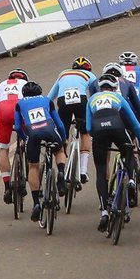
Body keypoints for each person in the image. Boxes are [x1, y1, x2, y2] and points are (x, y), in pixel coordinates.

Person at [86, 73, 140, 233]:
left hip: (98, 131)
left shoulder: (92, 99)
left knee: (101, 170)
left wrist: (99, 137)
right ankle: (131, 180)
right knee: (129, 152)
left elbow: (89, 128)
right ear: (114, 88)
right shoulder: (118, 97)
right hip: (118, 128)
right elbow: (136, 125)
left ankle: (104, 211)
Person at [13, 80, 67, 224]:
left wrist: (26, 138)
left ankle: (36, 202)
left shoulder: (19, 103)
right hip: (50, 131)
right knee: (59, 150)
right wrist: (64, 138)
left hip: (33, 134)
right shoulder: (47, 100)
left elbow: (18, 127)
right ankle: (61, 172)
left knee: (33, 166)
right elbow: (59, 124)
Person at [50, 57, 95, 185]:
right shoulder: (90, 75)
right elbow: (95, 96)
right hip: (81, 100)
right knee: (85, 134)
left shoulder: (63, 73)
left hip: (63, 101)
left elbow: (50, 96)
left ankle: (62, 169)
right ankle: (83, 171)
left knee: (63, 134)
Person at [0, 68, 29, 205]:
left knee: (3, 149)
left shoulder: (2, 84)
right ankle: (25, 146)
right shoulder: (28, 84)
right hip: (20, 108)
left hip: (3, 109)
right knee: (30, 141)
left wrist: (5, 121)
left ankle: (7, 186)